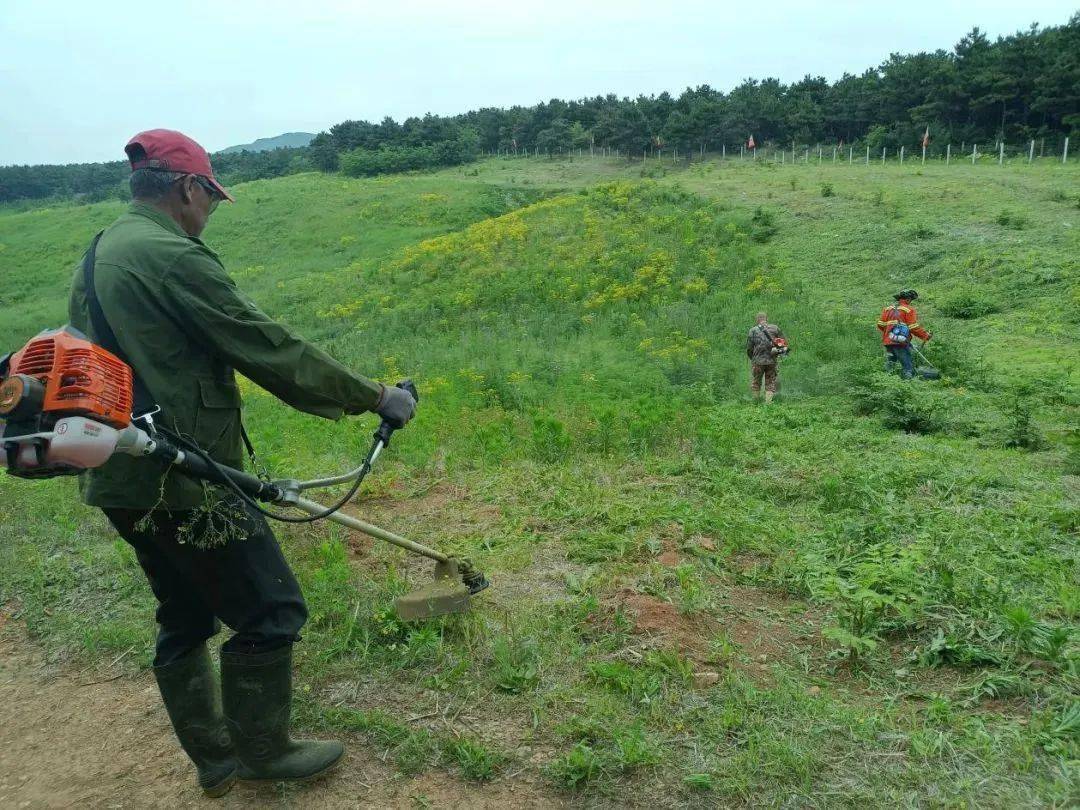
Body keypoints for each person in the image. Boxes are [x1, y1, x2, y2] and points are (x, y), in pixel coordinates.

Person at [67, 129, 417, 798]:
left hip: (116, 471)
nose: (211, 213)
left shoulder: (99, 252)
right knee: (271, 609)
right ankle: (263, 753)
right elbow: (266, 346)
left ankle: (216, 758)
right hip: (184, 478)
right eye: (211, 199)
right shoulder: (172, 255)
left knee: (184, 613)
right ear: (188, 189)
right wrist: (377, 396)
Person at [876, 289, 931, 380]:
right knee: (907, 366)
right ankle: (909, 384)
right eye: (911, 300)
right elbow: (913, 327)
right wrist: (925, 335)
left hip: (888, 341)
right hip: (900, 342)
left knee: (890, 364)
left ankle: (885, 381)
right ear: (908, 299)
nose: (910, 302)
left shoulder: (887, 309)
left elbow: (880, 325)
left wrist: (889, 333)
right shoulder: (908, 310)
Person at [746, 311, 785, 403]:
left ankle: (756, 402)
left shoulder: (753, 330)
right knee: (770, 381)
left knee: (756, 381)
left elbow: (749, 348)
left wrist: (753, 358)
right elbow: (782, 344)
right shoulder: (775, 328)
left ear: (757, 320)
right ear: (766, 319)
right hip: (772, 361)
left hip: (757, 361)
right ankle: (768, 403)